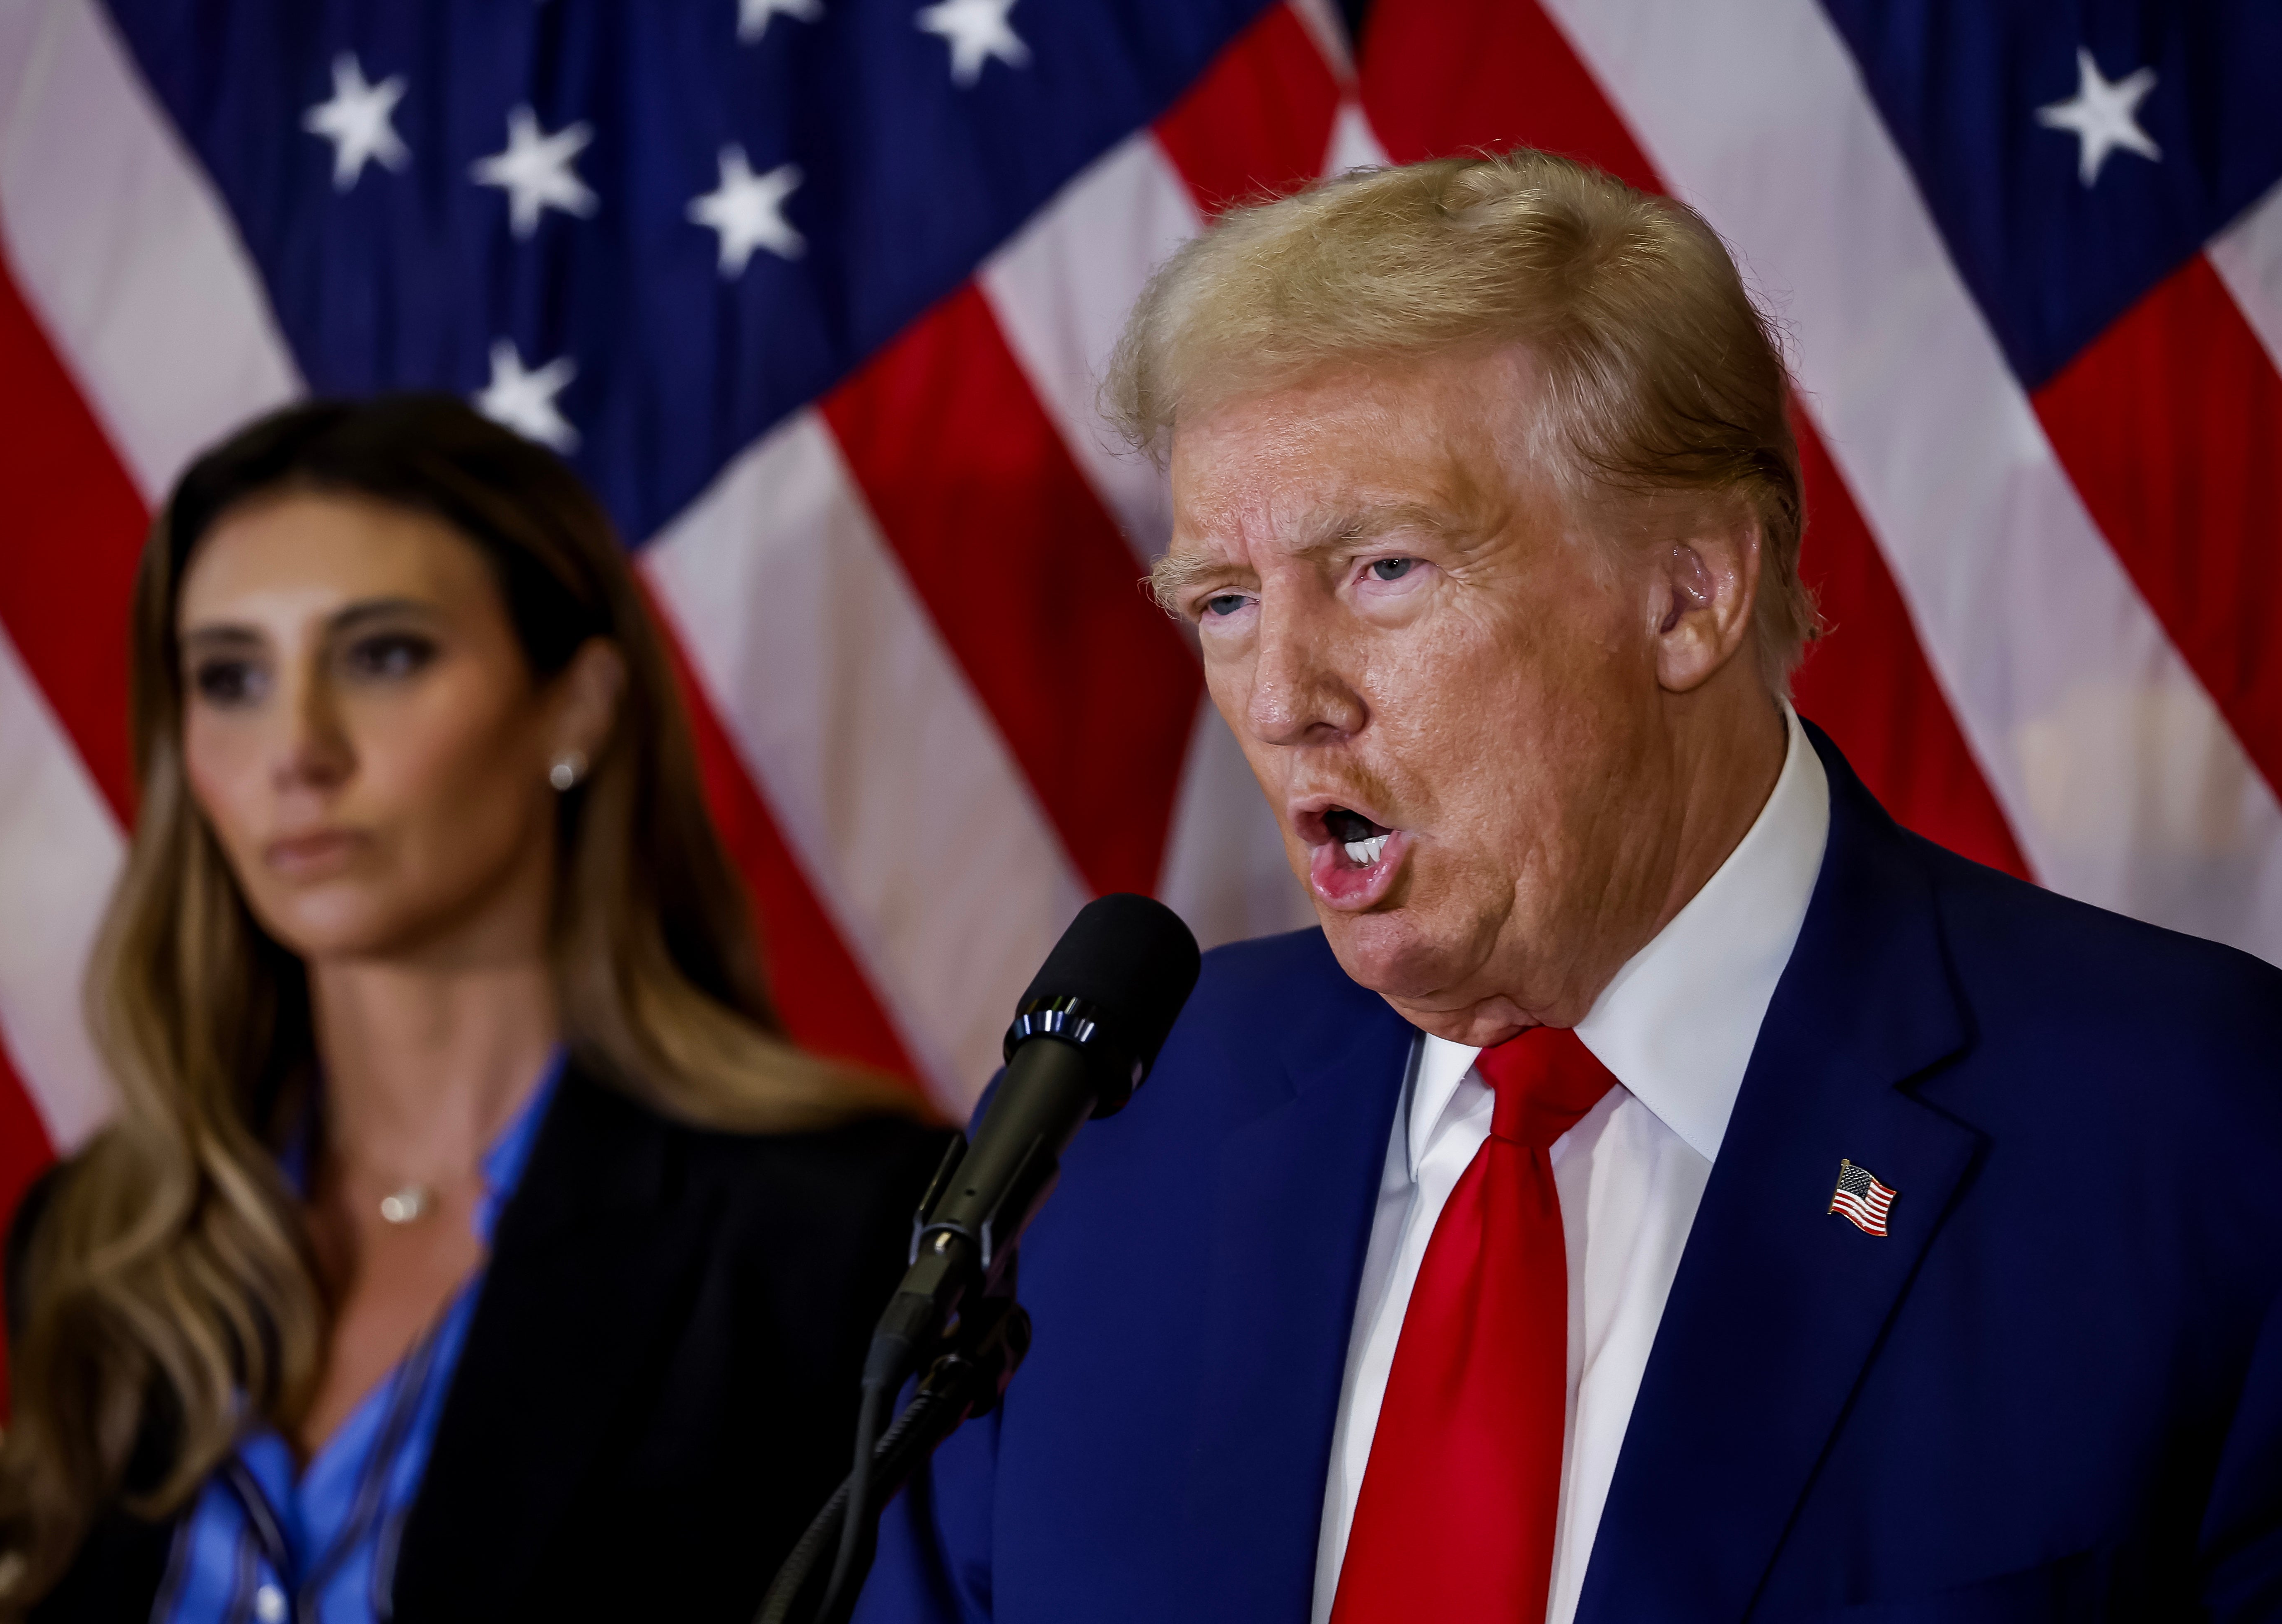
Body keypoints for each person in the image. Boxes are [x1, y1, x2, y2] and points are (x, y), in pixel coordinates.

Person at [852, 152, 2282, 1623]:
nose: (1280, 697)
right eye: (1223, 600)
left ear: (1687, 596)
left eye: (1385, 569)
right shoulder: (1118, 1134)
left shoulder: (2200, 1133)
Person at [0, 396, 951, 1623]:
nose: (296, 748)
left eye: (382, 654)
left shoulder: (843, 1231)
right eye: (231, 676)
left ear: (578, 707)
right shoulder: (102, 1238)